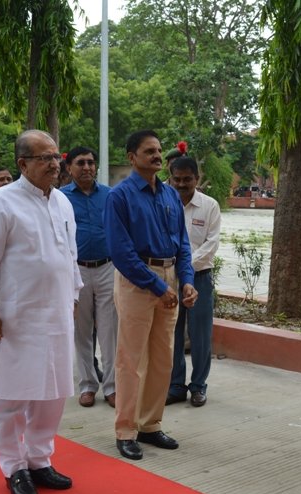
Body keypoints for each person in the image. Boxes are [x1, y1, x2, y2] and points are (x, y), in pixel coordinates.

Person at [0, 130, 82, 494]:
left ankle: (39, 459)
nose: (54, 164)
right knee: (9, 396)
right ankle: (14, 467)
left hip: (57, 315)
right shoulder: (0, 203)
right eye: (45, 158)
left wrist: (73, 296)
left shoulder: (62, 202)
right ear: (23, 164)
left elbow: (70, 256)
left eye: (56, 157)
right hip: (14, 317)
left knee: (53, 394)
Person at [104, 130, 197, 461]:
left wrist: (186, 281)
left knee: (163, 358)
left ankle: (150, 424)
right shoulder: (119, 196)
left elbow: (182, 243)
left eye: (158, 150)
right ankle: (126, 430)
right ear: (132, 157)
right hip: (137, 280)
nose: (157, 155)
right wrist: (157, 286)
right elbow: (120, 251)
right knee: (131, 359)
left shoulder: (170, 195)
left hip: (170, 276)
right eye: (149, 151)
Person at [60, 147, 118, 408]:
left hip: (108, 267)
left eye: (91, 163)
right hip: (76, 270)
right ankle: (87, 385)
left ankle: (112, 387)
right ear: (69, 168)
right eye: (80, 163)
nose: (87, 167)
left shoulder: (110, 195)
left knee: (110, 331)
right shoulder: (60, 198)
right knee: (81, 331)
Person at [166, 156, 221, 408]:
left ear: (197, 179)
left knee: (200, 335)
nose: (181, 184)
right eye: (176, 179)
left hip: (200, 277)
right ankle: (176, 386)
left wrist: (185, 266)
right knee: (173, 333)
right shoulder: (163, 202)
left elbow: (212, 243)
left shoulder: (209, 206)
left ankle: (198, 386)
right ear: (170, 179)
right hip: (170, 279)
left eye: (187, 179)